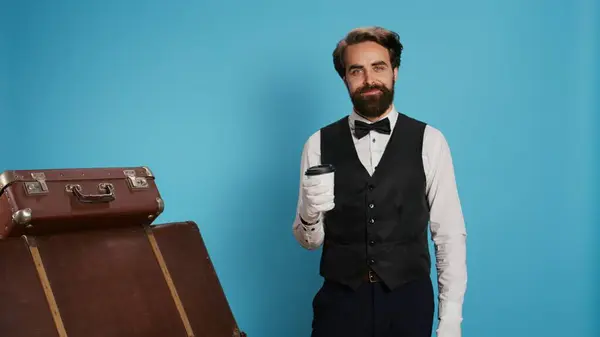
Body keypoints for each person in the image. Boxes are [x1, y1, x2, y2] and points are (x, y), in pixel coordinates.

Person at [292, 26, 468, 337]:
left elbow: (449, 235)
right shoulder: (317, 144)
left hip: (409, 302)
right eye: (356, 70)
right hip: (339, 304)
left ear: (395, 72)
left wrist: (451, 317)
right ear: (345, 78)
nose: (369, 79)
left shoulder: (430, 141)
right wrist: (308, 212)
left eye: (378, 67)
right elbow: (310, 242)